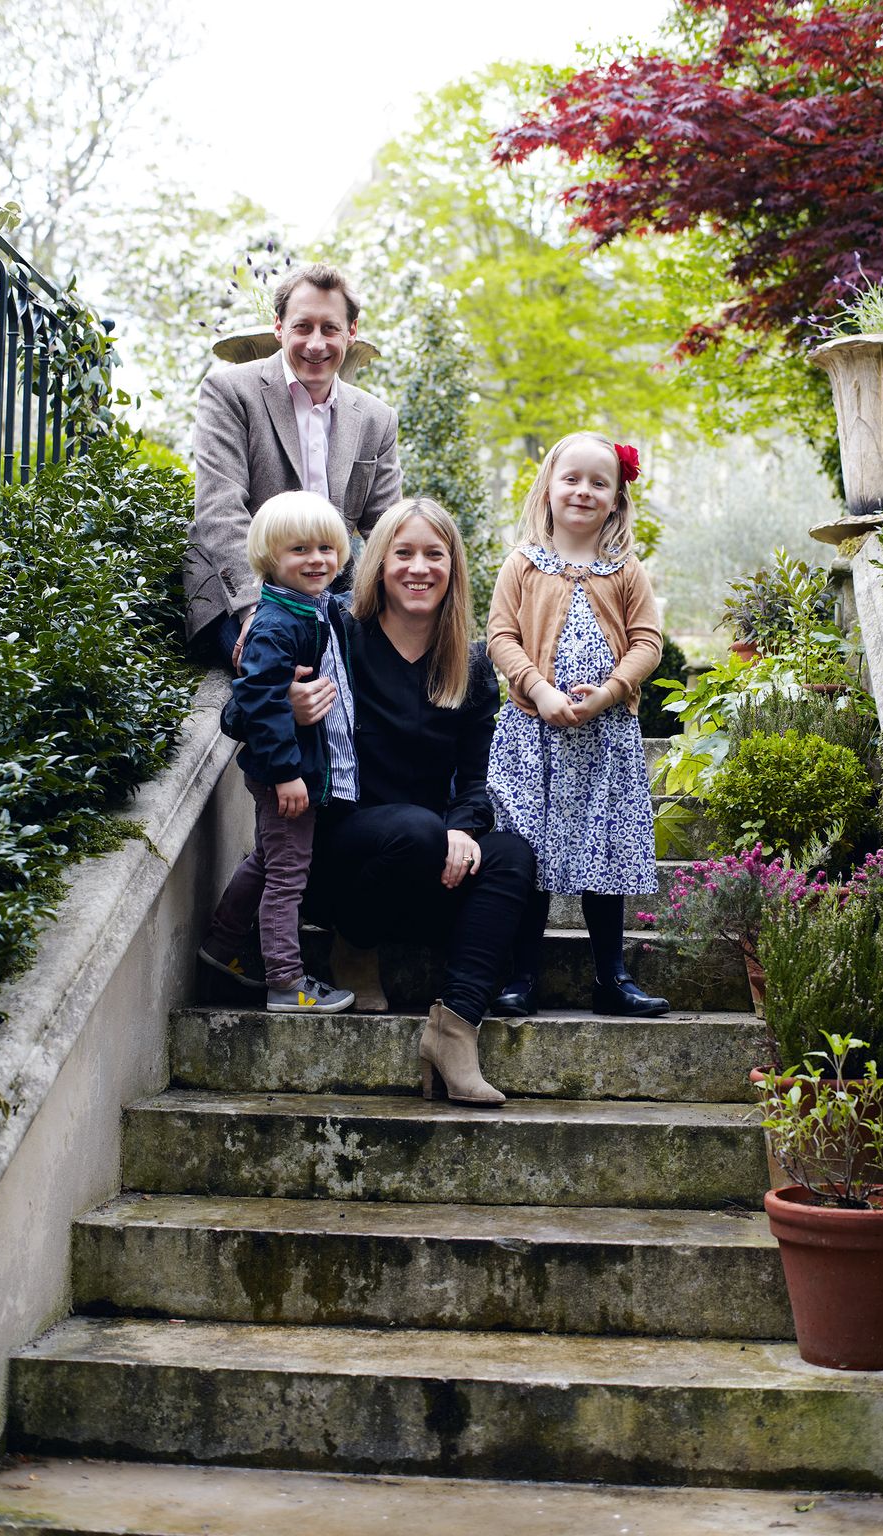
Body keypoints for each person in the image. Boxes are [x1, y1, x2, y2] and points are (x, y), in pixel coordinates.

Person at [273, 497, 536, 1105]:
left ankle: (456, 1030)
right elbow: (242, 708)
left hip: (425, 857)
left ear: (453, 568)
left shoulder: (468, 664)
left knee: (513, 855)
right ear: (379, 564)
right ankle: (351, 943)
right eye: (405, 553)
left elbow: (475, 782)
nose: (420, 568)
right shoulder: (337, 632)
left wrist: (467, 829)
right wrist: (286, 704)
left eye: (435, 555)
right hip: (345, 857)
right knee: (417, 829)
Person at [485, 432, 670, 1019]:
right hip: (530, 735)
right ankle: (521, 976)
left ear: (617, 499)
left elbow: (647, 642)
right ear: (548, 489)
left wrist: (610, 693)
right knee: (529, 850)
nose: (583, 492)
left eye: (599, 483)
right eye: (572, 479)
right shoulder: (521, 564)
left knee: (604, 847)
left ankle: (611, 977)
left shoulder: (625, 570)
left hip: (605, 735)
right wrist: (538, 690)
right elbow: (500, 637)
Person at [184, 262, 402, 667]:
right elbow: (219, 508)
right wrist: (254, 611)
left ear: (350, 333)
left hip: (333, 588)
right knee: (285, 663)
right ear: (279, 327)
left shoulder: (377, 417)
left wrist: (410, 602)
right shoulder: (229, 392)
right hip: (248, 588)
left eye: (330, 328)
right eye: (303, 327)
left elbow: (385, 527)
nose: (316, 344)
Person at [199, 491, 355, 1015]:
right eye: (300, 551)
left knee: (268, 860)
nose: (317, 560)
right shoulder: (274, 623)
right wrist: (289, 774)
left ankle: (221, 945)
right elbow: (260, 704)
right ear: (271, 558)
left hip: (293, 767)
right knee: (289, 875)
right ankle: (287, 982)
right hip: (286, 772)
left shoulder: (310, 610)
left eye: (327, 549)